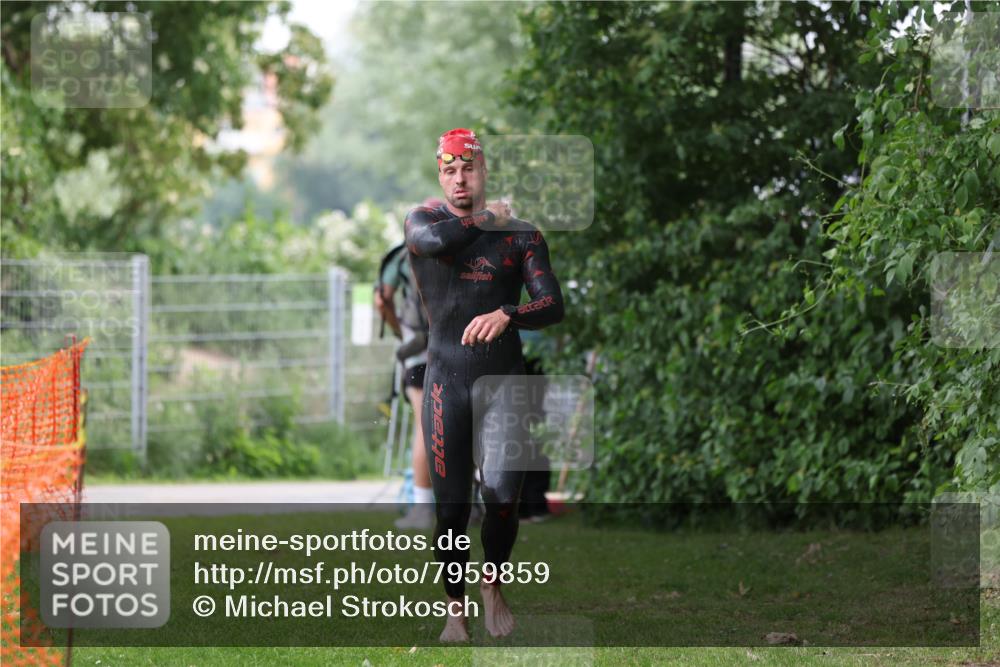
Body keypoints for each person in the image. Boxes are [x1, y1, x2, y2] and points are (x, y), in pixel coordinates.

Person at [405, 128, 564, 641]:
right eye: (449, 170)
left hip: (504, 384)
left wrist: (509, 312)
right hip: (443, 382)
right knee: (451, 507)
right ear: (439, 175)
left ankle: (492, 585)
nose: (459, 179)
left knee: (499, 497)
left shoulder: (523, 237)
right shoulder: (423, 222)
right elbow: (437, 243)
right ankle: (455, 609)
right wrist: (486, 218)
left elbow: (553, 304)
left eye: (468, 169)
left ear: (484, 170)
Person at [374, 205, 439, 530]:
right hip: (455, 350)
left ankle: (423, 508)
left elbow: (381, 299)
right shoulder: (455, 246)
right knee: (456, 426)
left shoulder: (401, 254)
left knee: (426, 428)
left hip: (417, 354)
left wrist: (401, 332)